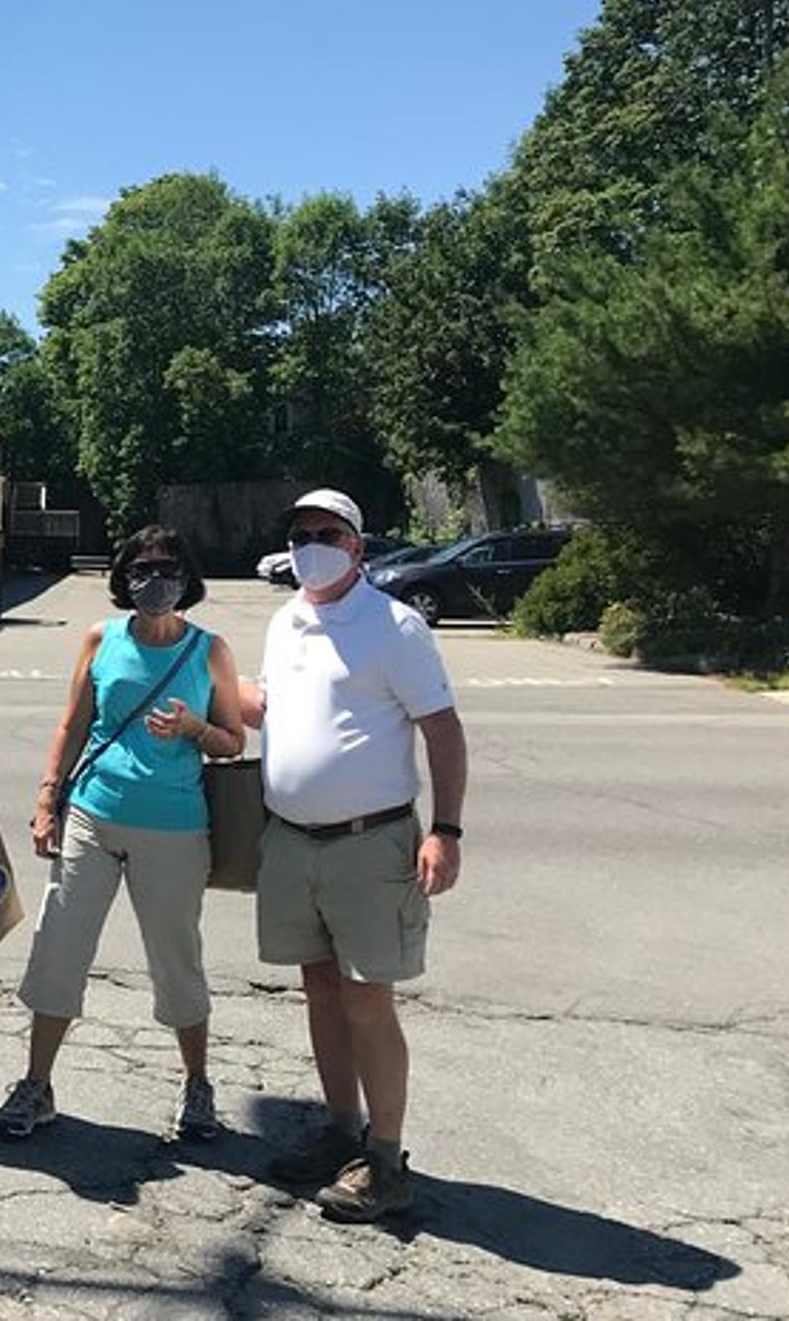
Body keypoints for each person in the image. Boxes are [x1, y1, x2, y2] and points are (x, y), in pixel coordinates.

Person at [240, 488, 468, 1223]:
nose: (312, 543)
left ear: (357, 546)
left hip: (370, 843)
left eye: (328, 533)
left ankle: (386, 1157)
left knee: (368, 999)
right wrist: (188, 666)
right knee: (318, 989)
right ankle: (340, 1128)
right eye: (301, 532)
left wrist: (447, 830)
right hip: (291, 838)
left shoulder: (394, 625)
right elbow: (269, 706)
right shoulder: (286, 619)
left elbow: (442, 730)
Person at [0, 526, 245, 1141]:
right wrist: (48, 799)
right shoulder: (101, 640)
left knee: (176, 959)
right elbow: (72, 725)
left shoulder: (209, 650)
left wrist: (193, 727)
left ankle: (196, 1084)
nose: (154, 580)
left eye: (166, 568)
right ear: (122, 578)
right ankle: (36, 1084)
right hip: (94, 816)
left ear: (187, 578)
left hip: (176, 827)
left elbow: (234, 742)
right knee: (60, 946)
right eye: (141, 569)